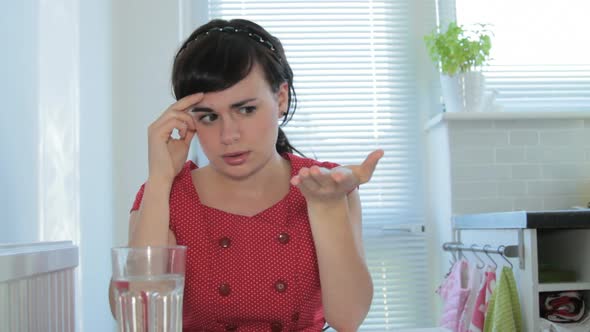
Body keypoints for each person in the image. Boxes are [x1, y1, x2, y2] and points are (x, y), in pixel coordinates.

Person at [110, 18, 384, 332]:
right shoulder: (168, 196)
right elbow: (141, 317)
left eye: (246, 109)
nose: (229, 135)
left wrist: (327, 208)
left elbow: (348, 318)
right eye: (209, 117)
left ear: (280, 99)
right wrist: (160, 179)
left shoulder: (328, 185)